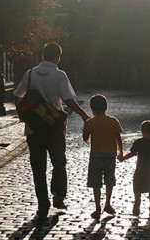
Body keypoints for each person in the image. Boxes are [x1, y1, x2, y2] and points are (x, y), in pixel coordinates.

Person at [14, 42, 90, 224]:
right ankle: (58, 195)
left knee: (38, 168)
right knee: (59, 163)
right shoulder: (60, 75)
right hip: (55, 128)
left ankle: (42, 206)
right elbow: (69, 101)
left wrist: (25, 114)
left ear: (42, 55)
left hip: (34, 129)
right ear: (58, 57)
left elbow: (18, 95)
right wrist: (84, 116)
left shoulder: (30, 73)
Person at [82, 94, 123, 220]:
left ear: (92, 109)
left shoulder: (90, 122)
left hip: (95, 156)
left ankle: (97, 207)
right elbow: (118, 138)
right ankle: (108, 203)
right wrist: (120, 152)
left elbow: (85, 138)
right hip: (110, 155)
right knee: (109, 180)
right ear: (106, 107)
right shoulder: (113, 121)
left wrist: (86, 127)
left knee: (96, 182)